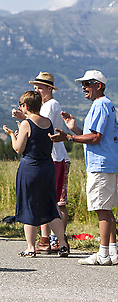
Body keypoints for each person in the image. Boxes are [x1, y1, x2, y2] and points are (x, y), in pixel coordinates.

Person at [50, 70, 118, 265]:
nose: (83, 87)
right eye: (83, 84)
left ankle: (103, 254)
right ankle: (111, 251)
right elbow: (93, 136)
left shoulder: (99, 105)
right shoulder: (106, 105)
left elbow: (95, 138)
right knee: (107, 209)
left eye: (87, 83)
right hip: (107, 162)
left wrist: (69, 137)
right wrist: (75, 128)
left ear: (98, 85)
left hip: (101, 164)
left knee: (102, 209)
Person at [3, 91, 69, 257]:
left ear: (26, 106)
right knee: (50, 206)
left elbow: (19, 148)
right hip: (47, 167)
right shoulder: (48, 122)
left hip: (30, 168)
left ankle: (31, 247)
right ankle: (62, 244)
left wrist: (12, 135)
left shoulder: (26, 123)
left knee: (28, 206)